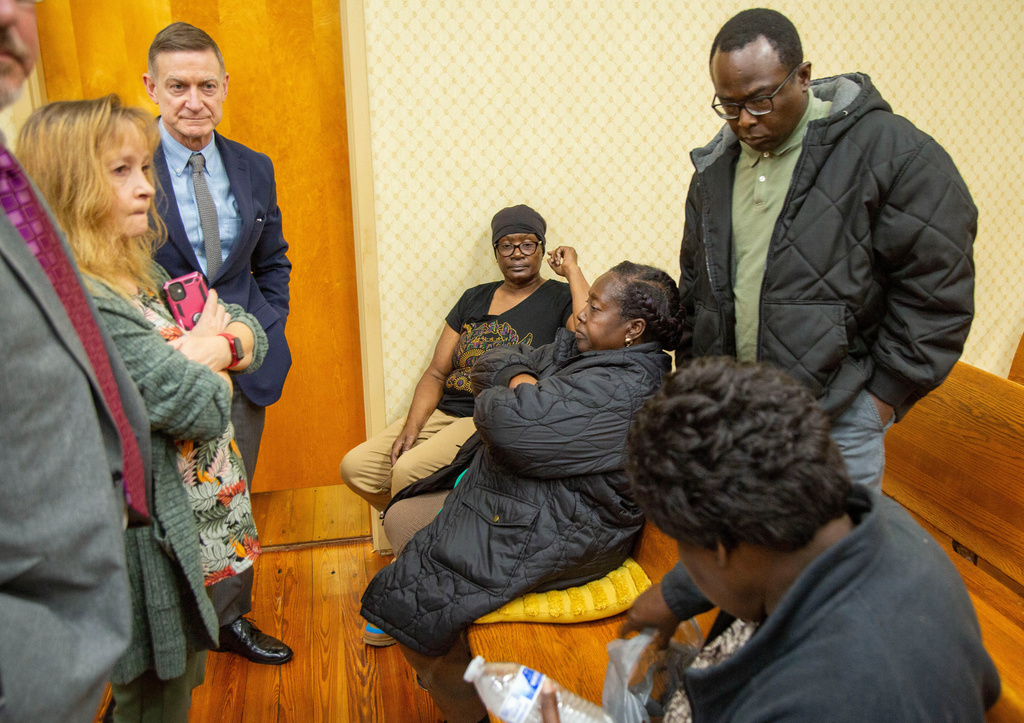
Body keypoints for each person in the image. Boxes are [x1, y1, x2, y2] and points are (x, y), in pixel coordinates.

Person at [16, 94, 270, 721]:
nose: (146, 188)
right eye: (120, 172)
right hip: (143, 542)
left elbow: (247, 330)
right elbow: (202, 406)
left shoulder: (136, 268)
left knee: (177, 674)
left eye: (145, 169)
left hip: (186, 526)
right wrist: (215, 358)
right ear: (68, 185)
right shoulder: (87, 298)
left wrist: (208, 345)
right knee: (156, 690)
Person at [362, 262, 683, 723]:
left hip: (573, 527)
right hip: (532, 501)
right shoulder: (583, 348)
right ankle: (449, 672)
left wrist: (517, 393)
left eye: (594, 307)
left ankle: (461, 699)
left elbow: (506, 424)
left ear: (633, 329)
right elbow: (489, 362)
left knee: (414, 602)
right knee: (407, 534)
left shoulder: (627, 389)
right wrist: (523, 382)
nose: (580, 316)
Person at [605, 358, 1000, 722]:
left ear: (721, 547)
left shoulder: (826, 699)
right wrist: (677, 595)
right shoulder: (876, 525)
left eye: (681, 546)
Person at [677, 8, 976, 490]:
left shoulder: (893, 152)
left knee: (831, 566)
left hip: (835, 426)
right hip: (731, 425)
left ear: (803, 77)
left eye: (759, 101)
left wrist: (878, 402)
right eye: (728, 106)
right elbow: (696, 290)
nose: (745, 121)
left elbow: (939, 291)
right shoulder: (713, 171)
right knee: (750, 564)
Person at [0, 2, 149, 721]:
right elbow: (188, 392)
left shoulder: (23, 209)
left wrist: (230, 337)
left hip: (80, 627)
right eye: (122, 171)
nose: (8, 15)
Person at [142, 21, 293, 665]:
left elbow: (274, 261)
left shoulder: (254, 168)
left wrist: (265, 324)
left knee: (231, 501)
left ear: (225, 87)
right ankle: (169, 629)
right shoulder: (125, 168)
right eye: (177, 86)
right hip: (160, 367)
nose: (193, 100)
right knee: (162, 507)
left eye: (207, 85)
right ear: (151, 87)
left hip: (242, 363)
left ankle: (230, 619)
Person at [340, 204, 585, 518]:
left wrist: (573, 270)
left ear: (542, 249)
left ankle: (423, 544)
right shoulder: (473, 298)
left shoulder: (559, 297)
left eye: (527, 244)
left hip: (488, 416)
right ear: (496, 252)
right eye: (506, 245)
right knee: (356, 467)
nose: (517, 253)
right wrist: (412, 427)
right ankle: (426, 525)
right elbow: (436, 373)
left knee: (407, 471)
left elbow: (587, 332)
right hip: (444, 411)